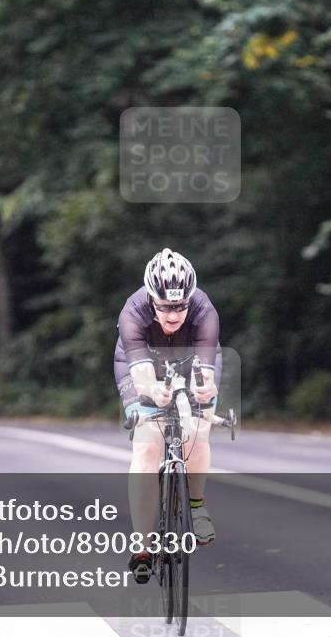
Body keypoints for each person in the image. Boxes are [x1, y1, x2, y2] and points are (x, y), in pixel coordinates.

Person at [114, 248, 221, 583]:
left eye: (180, 306)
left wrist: (205, 390)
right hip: (139, 364)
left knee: (198, 429)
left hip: (190, 359)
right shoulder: (132, 312)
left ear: (190, 298)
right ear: (150, 298)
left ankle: (196, 505)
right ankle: (142, 545)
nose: (173, 315)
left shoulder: (204, 309)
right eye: (164, 307)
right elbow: (143, 373)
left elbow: (206, 367)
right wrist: (153, 391)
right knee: (147, 445)